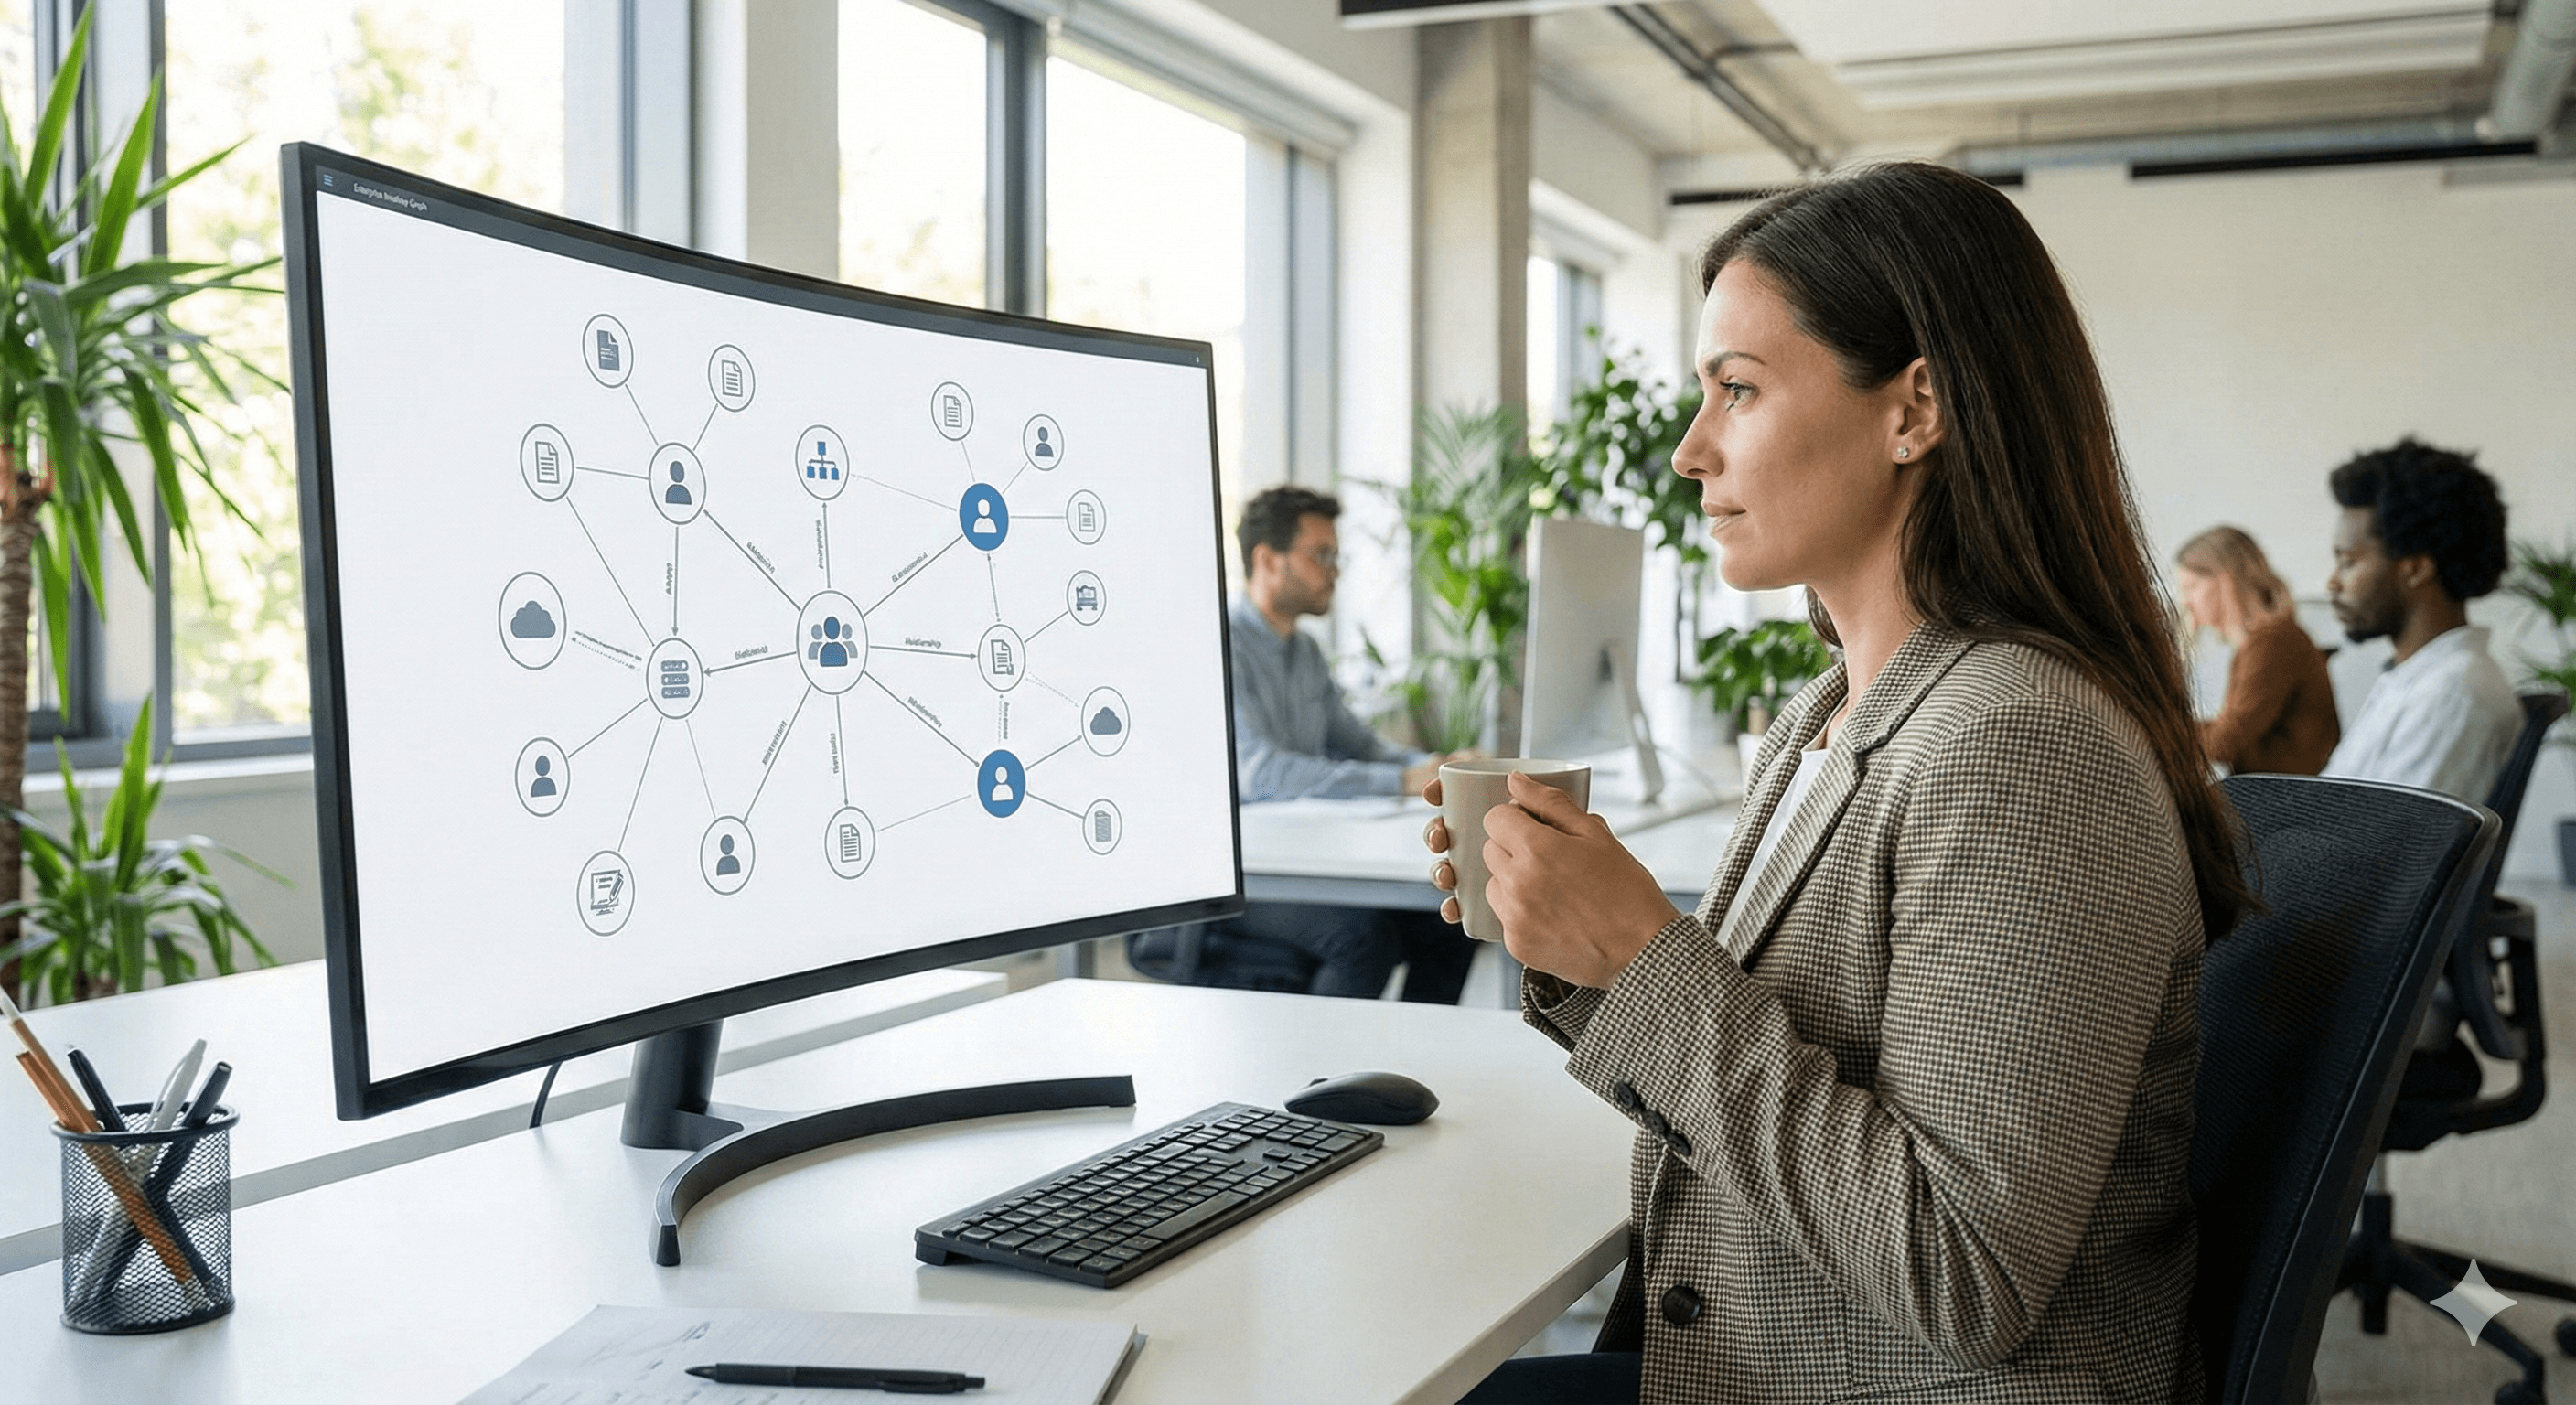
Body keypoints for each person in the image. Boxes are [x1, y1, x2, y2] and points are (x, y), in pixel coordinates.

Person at [1434, 163, 2247, 1404]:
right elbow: (1773, 1062)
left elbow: (1965, 1272)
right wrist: (1582, 949)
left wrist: (1644, 954)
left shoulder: (2020, 744)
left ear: (1915, 409)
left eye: (1738, 390)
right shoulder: (1834, 713)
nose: (1690, 450)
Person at [1216, 485, 1478, 1003]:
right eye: (1321, 555)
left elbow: (1356, 743)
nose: (1334, 570)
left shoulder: (1305, 652)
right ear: (1267, 560)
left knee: (1450, 921)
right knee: (1362, 939)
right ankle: (1323, 1060)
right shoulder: (1222, 644)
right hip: (1241, 873)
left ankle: (1408, 1054)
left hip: (1302, 853)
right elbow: (1260, 774)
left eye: (1336, 556)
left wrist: (1437, 767)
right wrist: (1400, 782)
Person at [2320, 437, 2520, 803]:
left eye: (2348, 562)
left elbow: (2387, 837)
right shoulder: (2416, 679)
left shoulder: (2450, 693)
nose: (2332, 583)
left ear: (2415, 569)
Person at [2175, 525, 2339, 774]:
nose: (2186, 601)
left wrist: (2161, 728)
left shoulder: (2273, 641)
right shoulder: (2267, 639)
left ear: (2225, 580)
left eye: (2191, 586)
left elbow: (2224, 742)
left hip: (2286, 794)